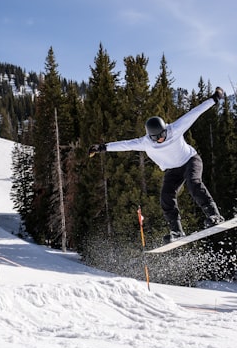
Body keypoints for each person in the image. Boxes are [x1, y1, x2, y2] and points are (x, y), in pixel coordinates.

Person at [89, 87, 226, 243]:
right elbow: (126, 144)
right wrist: (103, 147)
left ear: (164, 129)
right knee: (166, 197)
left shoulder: (175, 128)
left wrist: (215, 98)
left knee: (194, 183)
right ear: (150, 136)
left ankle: (214, 215)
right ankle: (176, 231)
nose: (160, 139)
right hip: (172, 170)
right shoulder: (146, 142)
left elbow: (195, 112)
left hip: (190, 160)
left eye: (162, 135)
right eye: (156, 138)